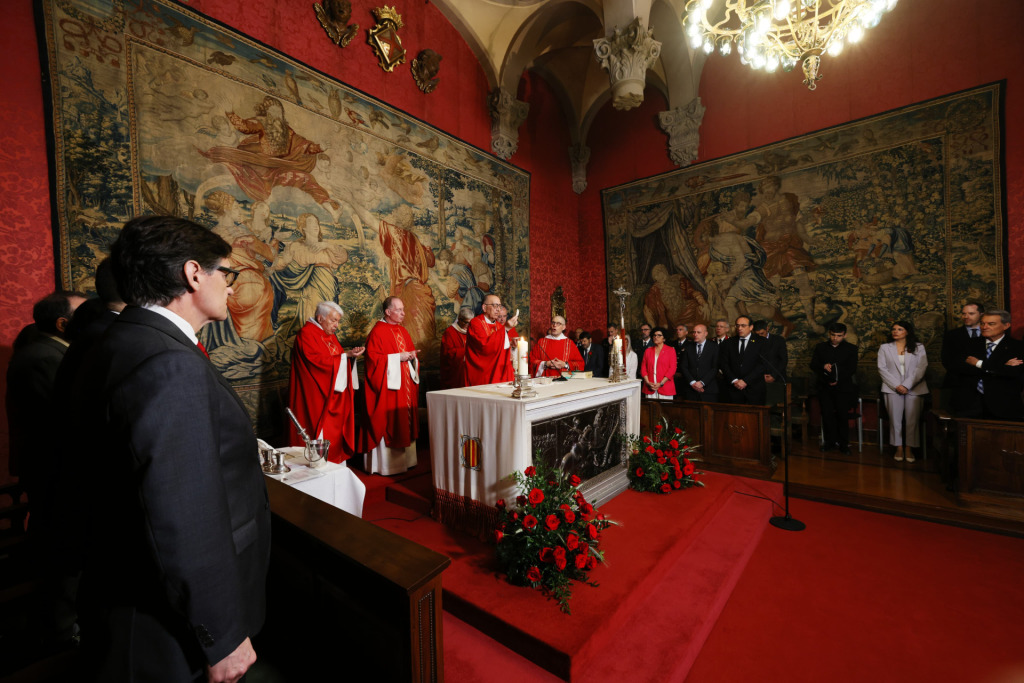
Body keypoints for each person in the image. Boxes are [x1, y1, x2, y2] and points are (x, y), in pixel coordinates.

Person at [67, 215, 270, 682]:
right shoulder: (167, 363)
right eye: (227, 273)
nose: (231, 286)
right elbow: (182, 512)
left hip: (117, 587)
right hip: (161, 624)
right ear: (194, 274)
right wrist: (220, 633)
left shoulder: (115, 340)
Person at [6, 291, 86, 522]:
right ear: (63, 324)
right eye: (85, 315)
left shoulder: (53, 352)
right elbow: (63, 415)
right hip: (51, 468)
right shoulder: (45, 357)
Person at [288, 301, 365, 462]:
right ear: (320, 318)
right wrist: (346, 356)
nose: (336, 325)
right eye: (333, 320)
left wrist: (349, 357)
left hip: (333, 395)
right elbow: (317, 363)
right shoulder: (307, 334)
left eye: (338, 321)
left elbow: (336, 358)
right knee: (318, 434)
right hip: (316, 396)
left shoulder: (328, 336)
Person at [364, 296, 421, 475]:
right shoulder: (377, 332)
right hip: (389, 389)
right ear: (388, 312)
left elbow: (409, 355)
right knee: (391, 421)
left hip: (405, 386)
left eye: (403, 309)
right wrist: (398, 357)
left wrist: (412, 357)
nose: (403, 313)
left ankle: (408, 461)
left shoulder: (403, 331)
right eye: (399, 310)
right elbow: (373, 361)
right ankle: (388, 466)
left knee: (405, 420)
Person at [878, 320, 929, 463]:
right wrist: (897, 385)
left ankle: (909, 448)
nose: (895, 331)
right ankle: (898, 447)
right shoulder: (885, 348)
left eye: (899, 329)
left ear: (907, 331)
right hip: (892, 388)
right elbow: (882, 368)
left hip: (915, 388)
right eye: (894, 329)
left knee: (912, 421)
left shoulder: (919, 347)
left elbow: (921, 368)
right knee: (895, 420)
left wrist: (906, 385)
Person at [960, 309, 1024, 421]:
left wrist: (979, 364)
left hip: (1004, 406)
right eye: (982, 323)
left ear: (1006, 325)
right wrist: (1001, 367)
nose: (985, 327)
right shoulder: (969, 344)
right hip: (970, 405)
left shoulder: (1017, 347)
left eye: (991, 324)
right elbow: (961, 368)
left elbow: (1013, 372)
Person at [810, 322, 859, 454]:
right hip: (824, 387)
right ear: (829, 333)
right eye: (833, 335)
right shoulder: (820, 347)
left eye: (839, 335)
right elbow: (813, 365)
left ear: (845, 335)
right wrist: (823, 367)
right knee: (827, 416)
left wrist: (837, 379)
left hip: (843, 388)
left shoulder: (851, 349)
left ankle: (844, 444)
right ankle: (829, 442)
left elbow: (851, 369)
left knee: (843, 416)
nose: (835, 338)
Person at [463, 294, 519, 386]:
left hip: (499, 373)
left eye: (499, 306)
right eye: (495, 306)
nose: (498, 309)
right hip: (482, 376)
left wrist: (511, 345)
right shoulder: (476, 323)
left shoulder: (499, 326)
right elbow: (484, 346)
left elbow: (502, 351)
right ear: (484, 307)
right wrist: (506, 329)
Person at [940, 301, 984, 416]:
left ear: (981, 314)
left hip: (985, 387)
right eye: (964, 313)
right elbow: (947, 360)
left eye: (971, 313)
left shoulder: (989, 334)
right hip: (959, 386)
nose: (966, 317)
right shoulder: (952, 335)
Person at [718, 315, 766, 405]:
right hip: (733, 389)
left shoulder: (761, 342)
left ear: (751, 327)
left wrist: (745, 381)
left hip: (754, 389)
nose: (739, 328)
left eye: (743, 326)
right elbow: (724, 364)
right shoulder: (728, 343)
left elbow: (762, 365)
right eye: (737, 325)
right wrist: (734, 380)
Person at [681, 323, 719, 402]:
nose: (695, 334)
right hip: (690, 390)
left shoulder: (714, 347)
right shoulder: (688, 347)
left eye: (698, 332)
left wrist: (702, 383)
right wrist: (693, 383)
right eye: (694, 332)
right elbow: (684, 367)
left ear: (706, 333)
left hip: (708, 389)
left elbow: (715, 368)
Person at [439, 307, 474, 389]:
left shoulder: (472, 331)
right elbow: (447, 354)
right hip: (456, 373)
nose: (469, 326)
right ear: (459, 319)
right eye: (466, 323)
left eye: (471, 323)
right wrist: (466, 352)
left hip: (471, 371)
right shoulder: (450, 332)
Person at [641, 327, 676, 399]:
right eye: (654, 335)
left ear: (664, 338)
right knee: (650, 409)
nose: (656, 337)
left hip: (665, 387)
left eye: (659, 335)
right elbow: (643, 368)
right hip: (650, 387)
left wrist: (661, 383)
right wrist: (647, 382)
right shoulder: (648, 351)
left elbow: (672, 369)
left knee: (665, 409)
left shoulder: (670, 350)